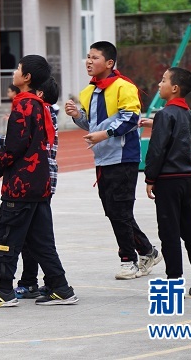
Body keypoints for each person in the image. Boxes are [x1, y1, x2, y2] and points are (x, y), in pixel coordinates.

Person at [0, 55, 78, 307]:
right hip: (39, 184)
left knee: (5, 236)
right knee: (40, 240)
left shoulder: (24, 104)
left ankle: (4, 291)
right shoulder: (39, 105)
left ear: (27, 78)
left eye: (18, 68)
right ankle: (61, 288)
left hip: (21, 186)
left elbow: (16, 144)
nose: (15, 71)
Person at [64, 41, 161, 280]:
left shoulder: (123, 86)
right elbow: (91, 125)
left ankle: (128, 260)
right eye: (88, 56)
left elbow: (131, 119)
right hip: (103, 159)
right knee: (114, 211)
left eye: (95, 57)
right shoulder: (88, 92)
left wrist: (104, 134)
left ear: (109, 63)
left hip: (124, 158)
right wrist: (77, 116)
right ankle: (148, 251)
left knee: (120, 210)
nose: (89, 61)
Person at [143, 67, 191, 292]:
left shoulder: (164, 114)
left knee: (169, 231)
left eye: (163, 81)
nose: (159, 84)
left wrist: (150, 177)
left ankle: (174, 280)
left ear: (175, 88)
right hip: (187, 178)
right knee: (190, 229)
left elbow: (157, 149)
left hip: (168, 179)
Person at [14, 76, 61, 299]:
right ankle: (36, 280)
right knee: (33, 233)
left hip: (38, 179)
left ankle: (37, 281)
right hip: (42, 179)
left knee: (35, 235)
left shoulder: (40, 110)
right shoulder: (42, 110)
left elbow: (25, 142)